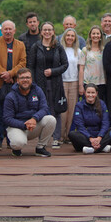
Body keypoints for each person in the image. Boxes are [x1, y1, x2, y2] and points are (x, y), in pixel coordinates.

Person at [29, 21, 68, 149]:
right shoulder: (36, 46)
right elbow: (31, 66)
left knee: (56, 110)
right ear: (41, 32)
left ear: (53, 32)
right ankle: (43, 139)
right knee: (42, 110)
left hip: (56, 83)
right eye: (45, 30)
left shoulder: (58, 46)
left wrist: (53, 71)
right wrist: (33, 84)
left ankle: (56, 138)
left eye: (49, 30)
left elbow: (65, 64)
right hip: (40, 84)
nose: (47, 32)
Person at [0, 20, 27, 150]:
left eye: (10, 29)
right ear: (1, 30)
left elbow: (22, 63)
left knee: (13, 113)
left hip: (14, 85)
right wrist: (4, 75)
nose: (8, 31)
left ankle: (12, 139)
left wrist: (11, 74)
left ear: (14, 31)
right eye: (5, 29)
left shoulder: (20, 45)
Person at [3, 68, 55, 157]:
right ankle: (16, 149)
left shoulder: (38, 90)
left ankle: (40, 148)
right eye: (22, 78)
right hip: (18, 126)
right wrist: (24, 125)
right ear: (17, 81)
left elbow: (44, 108)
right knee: (18, 143)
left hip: (34, 125)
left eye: (28, 77)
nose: (25, 80)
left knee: (51, 119)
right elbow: (7, 118)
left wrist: (34, 119)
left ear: (31, 79)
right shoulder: (10, 96)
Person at [68, 84, 111, 154]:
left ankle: (92, 149)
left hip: (100, 135)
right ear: (85, 93)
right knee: (72, 134)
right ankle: (102, 147)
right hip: (86, 136)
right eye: (88, 92)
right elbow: (79, 125)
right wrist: (90, 138)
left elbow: (106, 122)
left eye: (93, 93)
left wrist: (99, 137)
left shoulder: (102, 104)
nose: (90, 95)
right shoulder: (79, 105)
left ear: (96, 93)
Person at [60, 28, 80, 144]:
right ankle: (60, 135)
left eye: (72, 36)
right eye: (68, 35)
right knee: (63, 110)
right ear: (64, 36)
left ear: (75, 38)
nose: (70, 38)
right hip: (62, 81)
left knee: (72, 110)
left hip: (74, 82)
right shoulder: (60, 49)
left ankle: (68, 135)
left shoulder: (78, 51)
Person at [79, 26, 106, 102]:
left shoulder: (104, 50)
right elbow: (81, 69)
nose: (95, 36)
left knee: (100, 105)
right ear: (90, 36)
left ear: (100, 36)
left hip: (101, 82)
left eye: (97, 33)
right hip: (88, 83)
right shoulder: (85, 50)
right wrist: (80, 86)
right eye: (93, 33)